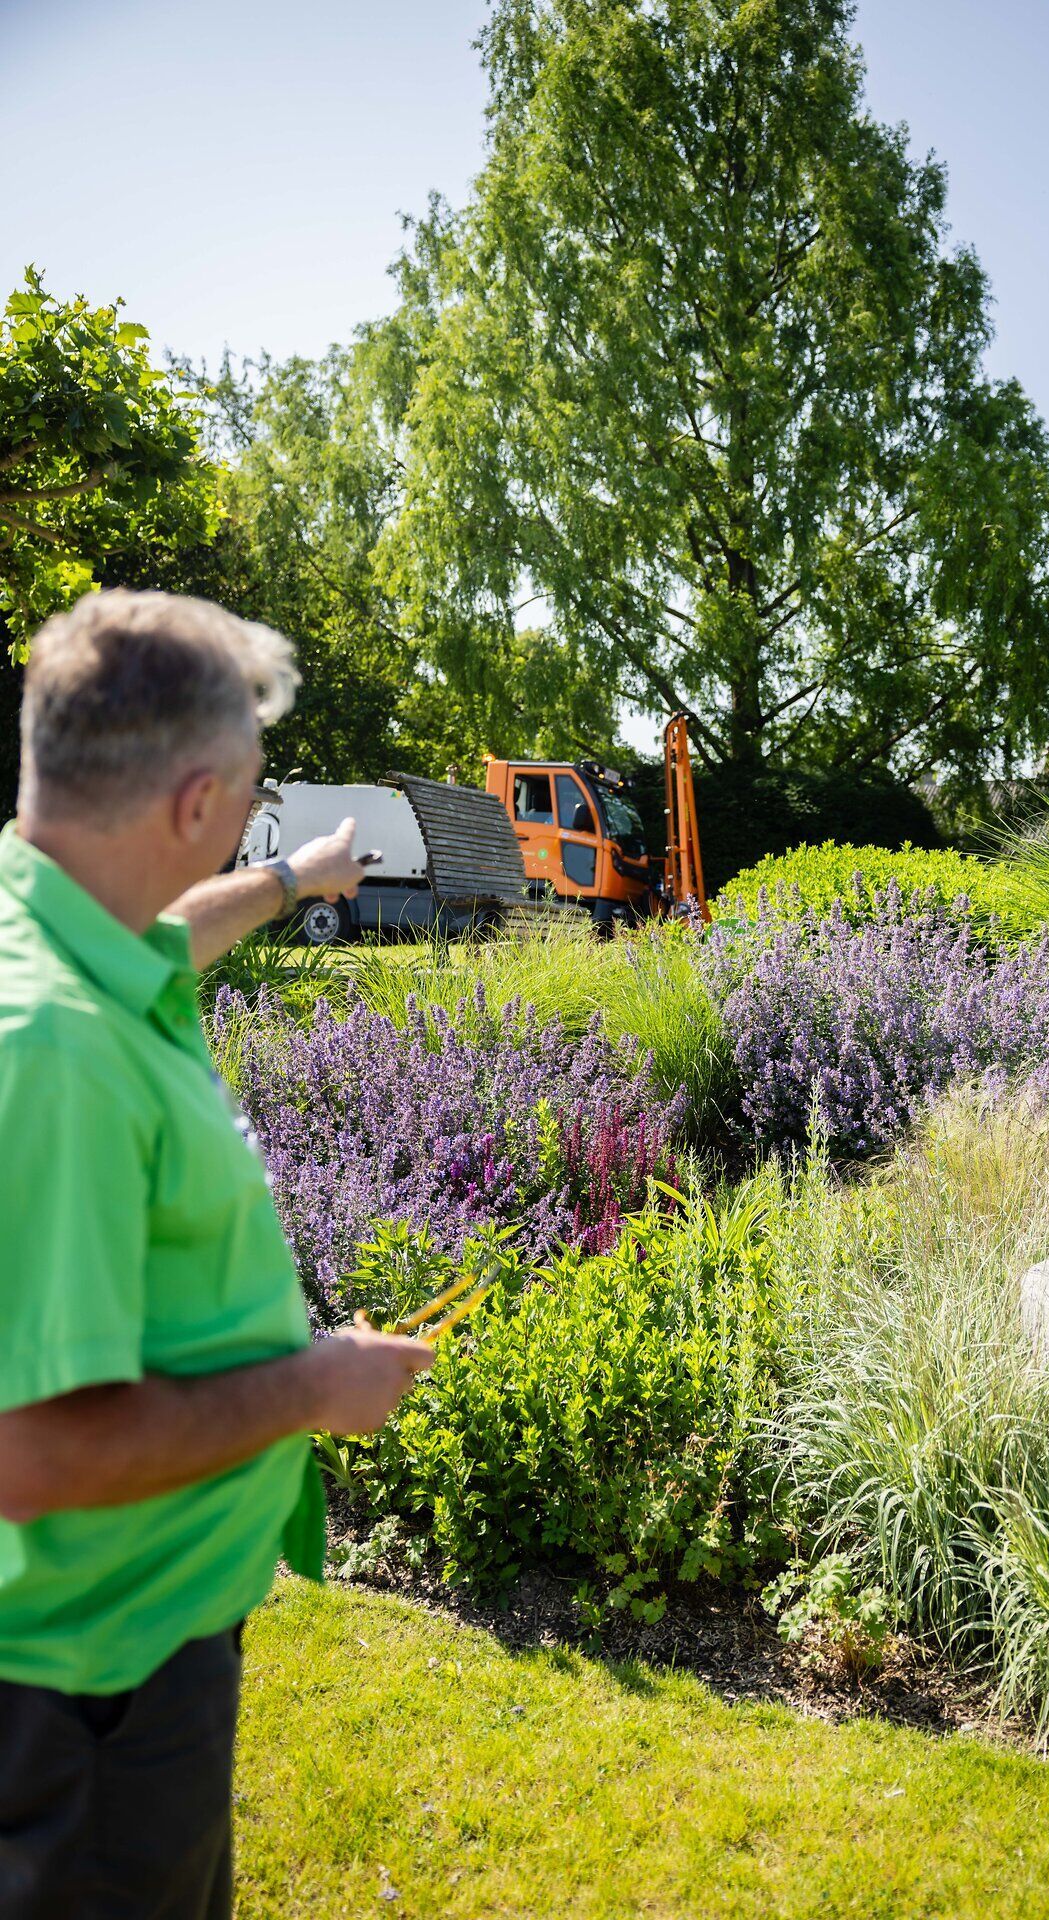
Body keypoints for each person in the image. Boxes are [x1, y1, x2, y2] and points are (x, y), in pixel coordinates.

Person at [0, 590, 432, 1919]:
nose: (250, 819)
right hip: (95, 1691)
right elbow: (33, 1452)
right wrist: (314, 1385)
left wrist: (301, 880)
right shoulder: (55, 1052)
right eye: (251, 797)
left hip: (130, 1652)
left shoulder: (70, 935)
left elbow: (177, 930)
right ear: (194, 799)